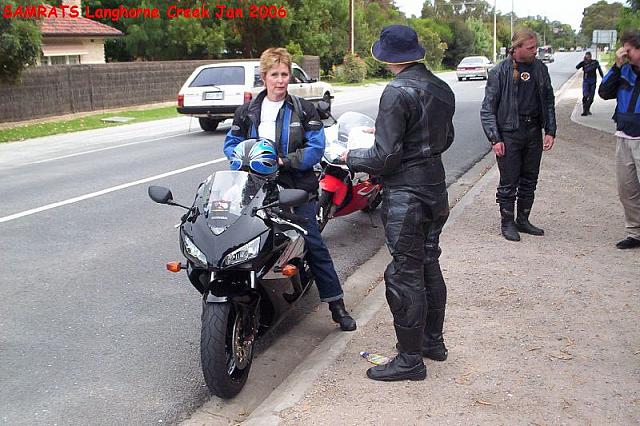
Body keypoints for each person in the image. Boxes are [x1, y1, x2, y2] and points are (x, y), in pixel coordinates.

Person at [340, 25, 455, 381]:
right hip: (435, 187)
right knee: (428, 263)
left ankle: (410, 359)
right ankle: (432, 342)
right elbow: (444, 138)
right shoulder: (441, 87)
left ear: (386, 56)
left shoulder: (395, 92)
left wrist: (351, 156)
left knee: (404, 273)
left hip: (407, 194)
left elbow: (385, 158)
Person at [223, 47, 357, 330]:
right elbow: (231, 145)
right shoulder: (247, 111)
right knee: (243, 239)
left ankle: (336, 305)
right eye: (275, 74)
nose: (280, 80)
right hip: (254, 186)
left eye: (284, 74)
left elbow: (315, 148)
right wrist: (245, 161)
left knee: (312, 242)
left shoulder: (303, 109)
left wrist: (283, 161)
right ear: (264, 77)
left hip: (296, 185)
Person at [480, 28, 557, 242]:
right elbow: (487, 109)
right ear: (517, 48)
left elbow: (548, 101)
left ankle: (523, 219)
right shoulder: (500, 72)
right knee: (509, 181)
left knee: (530, 179)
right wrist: (495, 138)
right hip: (509, 132)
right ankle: (507, 222)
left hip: (533, 131)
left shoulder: (540, 68)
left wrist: (550, 130)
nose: (535, 51)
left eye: (535, 47)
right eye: (530, 47)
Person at [598, 30, 640, 250]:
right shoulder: (623, 70)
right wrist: (616, 66)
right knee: (627, 189)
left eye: (629, 49)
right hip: (624, 135)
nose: (624, 52)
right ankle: (635, 232)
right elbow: (604, 92)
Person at [575, 52, 604, 116]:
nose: (588, 58)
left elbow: (600, 70)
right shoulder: (584, 63)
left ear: (591, 56)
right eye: (587, 57)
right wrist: (583, 62)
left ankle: (587, 109)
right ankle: (584, 110)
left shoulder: (595, 62)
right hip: (586, 82)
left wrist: (603, 78)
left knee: (591, 98)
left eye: (589, 57)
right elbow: (577, 67)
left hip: (593, 81)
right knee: (585, 96)